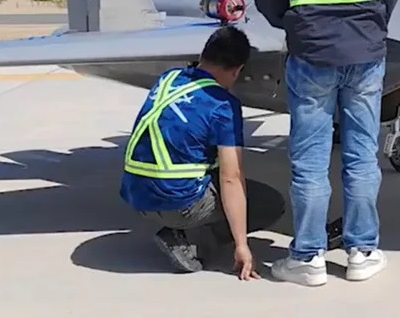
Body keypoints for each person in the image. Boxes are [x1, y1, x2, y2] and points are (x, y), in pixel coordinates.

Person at [249, 0, 400, 287]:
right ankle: (363, 252)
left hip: (313, 51)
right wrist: (373, 25)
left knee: (310, 159)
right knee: (361, 155)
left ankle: (308, 258)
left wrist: (290, 22)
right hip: (366, 51)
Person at [119, 24, 286, 279]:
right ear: (237, 70)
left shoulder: (169, 78)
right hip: (177, 202)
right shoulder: (223, 105)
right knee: (268, 203)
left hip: (136, 193)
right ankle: (190, 241)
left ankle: (180, 226)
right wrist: (241, 245)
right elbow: (231, 178)